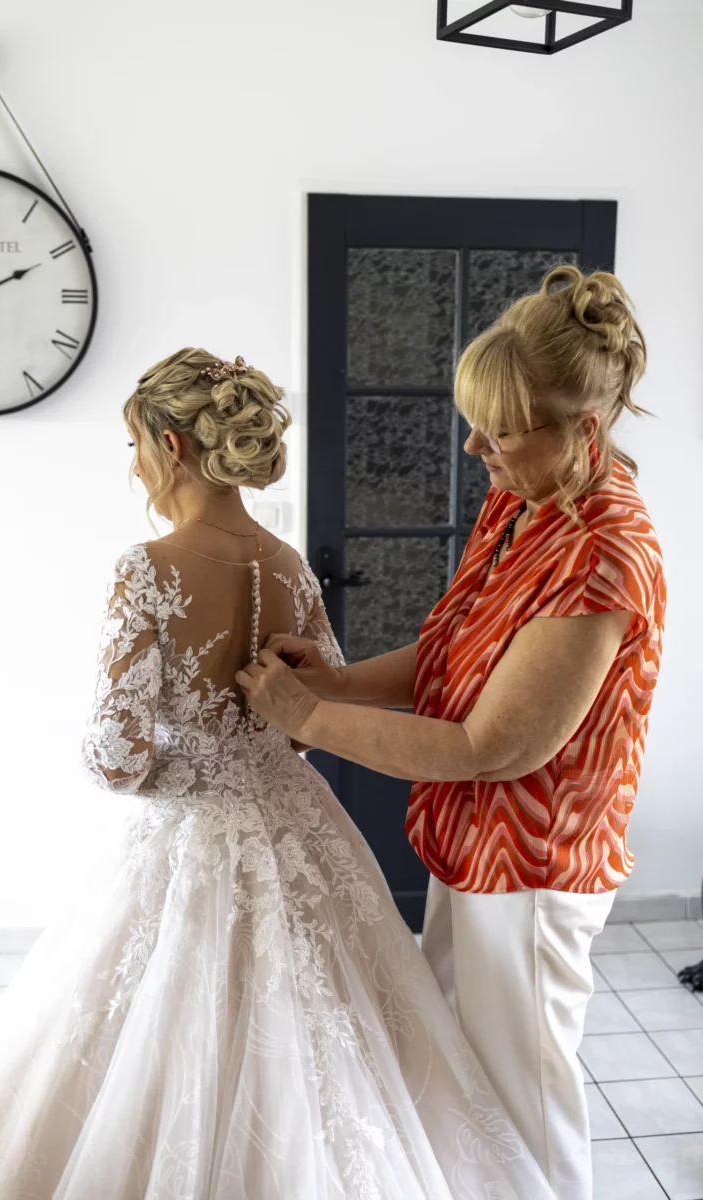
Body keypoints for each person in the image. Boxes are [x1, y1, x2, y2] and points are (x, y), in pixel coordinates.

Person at [0, 348, 556, 1199]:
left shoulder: (145, 569)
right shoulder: (288, 563)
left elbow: (119, 756)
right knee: (327, 1042)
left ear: (172, 445)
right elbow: (305, 719)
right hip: (300, 826)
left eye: (134, 442)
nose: (133, 462)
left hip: (189, 839)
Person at [240, 266, 667, 1200]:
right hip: (470, 849)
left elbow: (493, 746)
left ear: (582, 431)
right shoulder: (524, 499)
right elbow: (450, 652)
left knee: (526, 1107)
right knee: (468, 1091)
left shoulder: (604, 551)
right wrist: (344, 680)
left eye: (501, 431)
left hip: (532, 872)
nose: (475, 447)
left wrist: (315, 720)